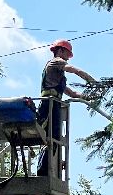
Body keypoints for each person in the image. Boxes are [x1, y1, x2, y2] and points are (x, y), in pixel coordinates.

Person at [38, 39, 94, 177]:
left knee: (54, 137)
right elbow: (75, 70)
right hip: (48, 104)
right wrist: (93, 82)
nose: (68, 58)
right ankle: (42, 171)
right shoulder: (55, 62)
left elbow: (73, 93)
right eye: (68, 54)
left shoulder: (57, 75)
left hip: (54, 103)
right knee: (47, 136)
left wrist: (89, 97)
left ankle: (46, 170)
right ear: (60, 50)